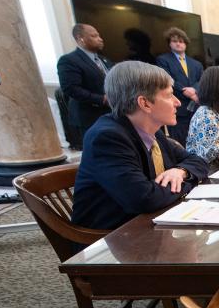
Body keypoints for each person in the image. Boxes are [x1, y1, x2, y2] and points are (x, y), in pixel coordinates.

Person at [71, 61, 208, 232]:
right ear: (144, 103)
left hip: (150, 224)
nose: (177, 103)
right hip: (110, 240)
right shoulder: (107, 137)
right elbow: (144, 199)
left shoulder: (151, 130)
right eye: (169, 95)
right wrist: (187, 183)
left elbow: (199, 162)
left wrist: (181, 172)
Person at [56, 23, 113, 145]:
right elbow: (71, 88)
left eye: (99, 35)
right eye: (94, 36)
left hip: (110, 115)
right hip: (89, 118)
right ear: (80, 39)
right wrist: (101, 99)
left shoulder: (104, 60)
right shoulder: (69, 60)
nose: (100, 39)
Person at [155, 27, 204, 146]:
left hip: (195, 108)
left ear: (186, 44)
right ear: (169, 43)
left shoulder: (196, 63)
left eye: (181, 41)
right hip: (176, 108)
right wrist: (183, 90)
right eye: (175, 41)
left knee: (197, 141)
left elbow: (201, 79)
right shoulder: (163, 60)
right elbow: (166, 78)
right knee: (179, 144)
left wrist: (194, 90)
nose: (178, 44)